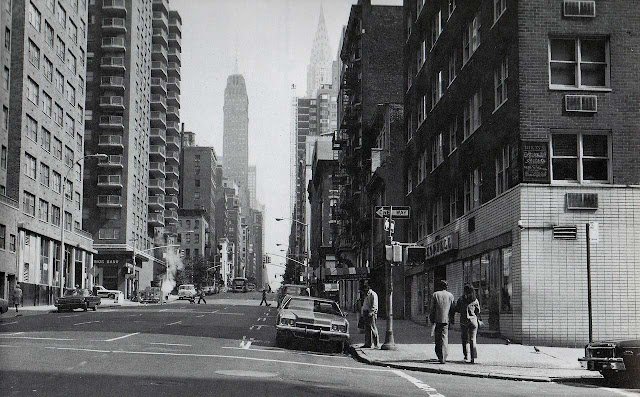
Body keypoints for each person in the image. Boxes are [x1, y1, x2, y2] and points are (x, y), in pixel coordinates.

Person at [429, 279, 455, 363]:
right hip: (446, 319)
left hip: (437, 319)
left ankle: (439, 355)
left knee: (437, 338)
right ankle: (444, 356)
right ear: (446, 287)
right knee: (444, 337)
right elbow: (452, 308)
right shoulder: (450, 295)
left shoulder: (435, 294)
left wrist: (431, 318)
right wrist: (452, 318)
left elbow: (432, 308)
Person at [456, 284, 480, 363]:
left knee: (464, 339)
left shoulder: (461, 299)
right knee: (473, 339)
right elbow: (478, 311)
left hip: (464, 321)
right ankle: (473, 358)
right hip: (473, 321)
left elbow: (457, 309)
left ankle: (466, 356)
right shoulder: (475, 300)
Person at [361, 280, 379, 348]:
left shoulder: (373, 294)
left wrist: (371, 312)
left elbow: (374, 305)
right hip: (366, 313)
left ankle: (376, 344)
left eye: (366, 286)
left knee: (373, 328)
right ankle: (368, 344)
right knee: (367, 329)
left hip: (371, 313)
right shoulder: (366, 295)